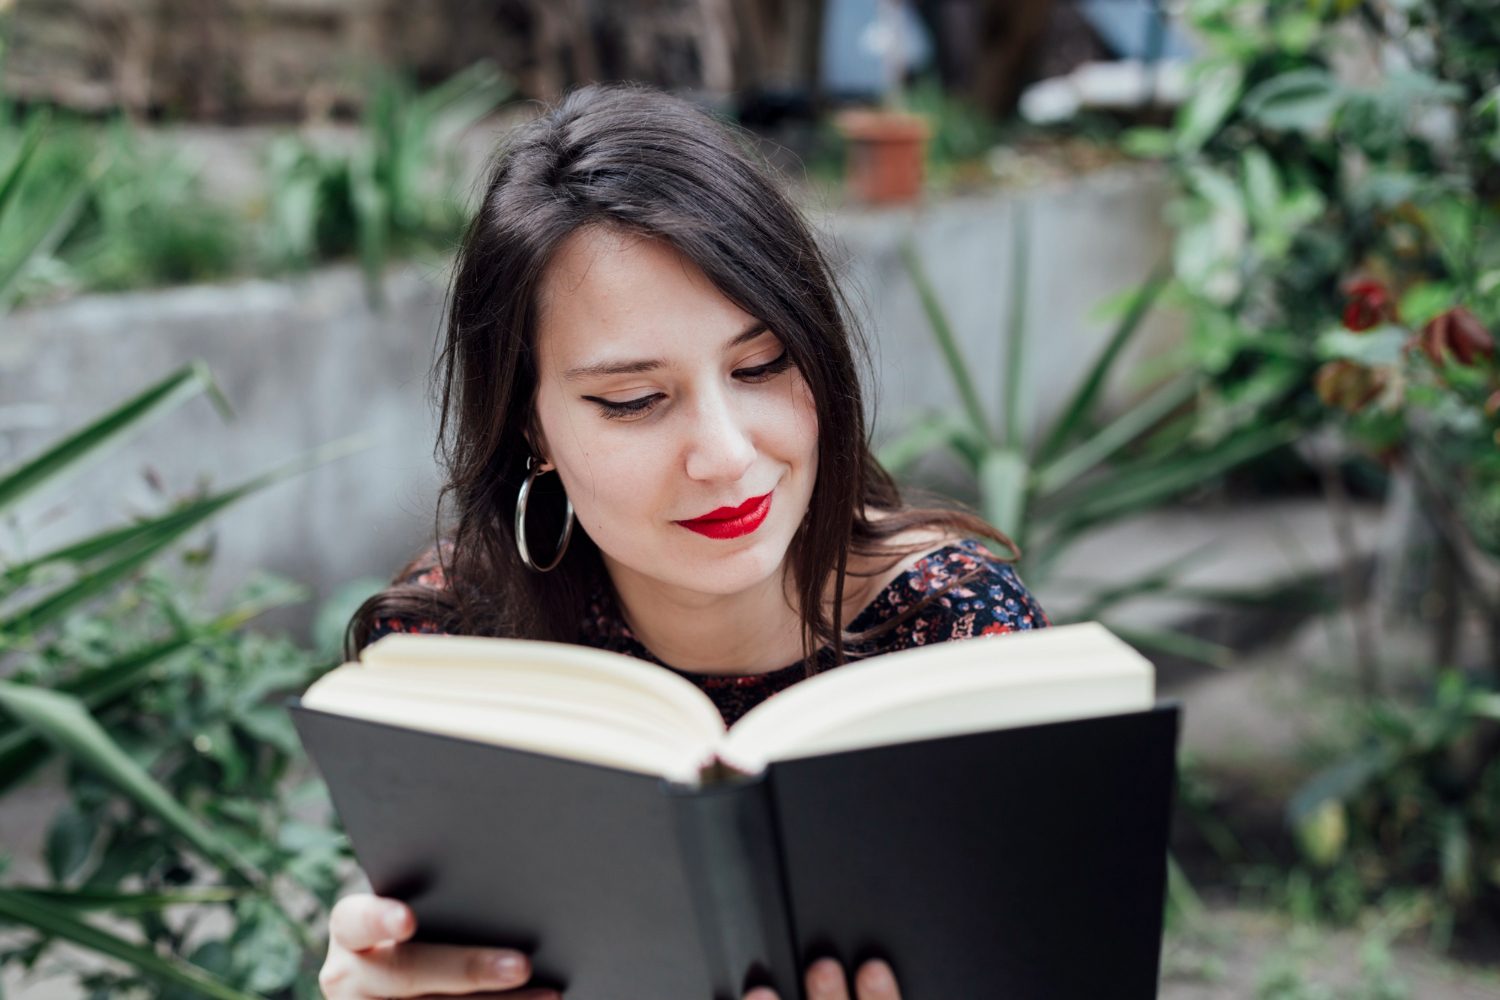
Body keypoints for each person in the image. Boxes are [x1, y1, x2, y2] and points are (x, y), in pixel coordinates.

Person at [319, 82, 1049, 1000]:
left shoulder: (954, 631)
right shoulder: (453, 652)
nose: (727, 454)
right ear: (532, 428)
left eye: (761, 365)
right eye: (634, 400)